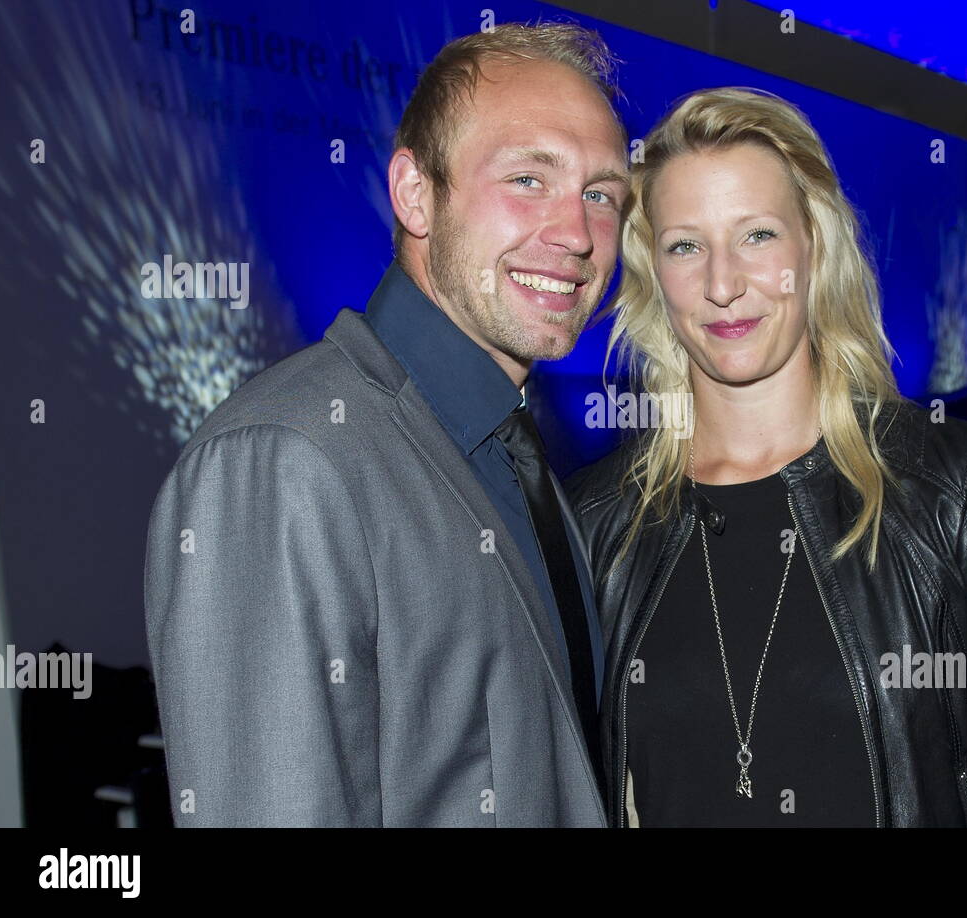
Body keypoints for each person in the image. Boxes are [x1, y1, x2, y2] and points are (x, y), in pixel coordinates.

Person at [144, 22, 630, 826]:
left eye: (602, 193)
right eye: (528, 180)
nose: (576, 234)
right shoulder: (285, 460)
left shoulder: (514, 454)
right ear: (414, 194)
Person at [567, 87, 967, 827]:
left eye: (757, 235)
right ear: (654, 274)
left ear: (814, 247)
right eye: (686, 245)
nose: (723, 284)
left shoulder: (947, 486)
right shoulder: (596, 525)